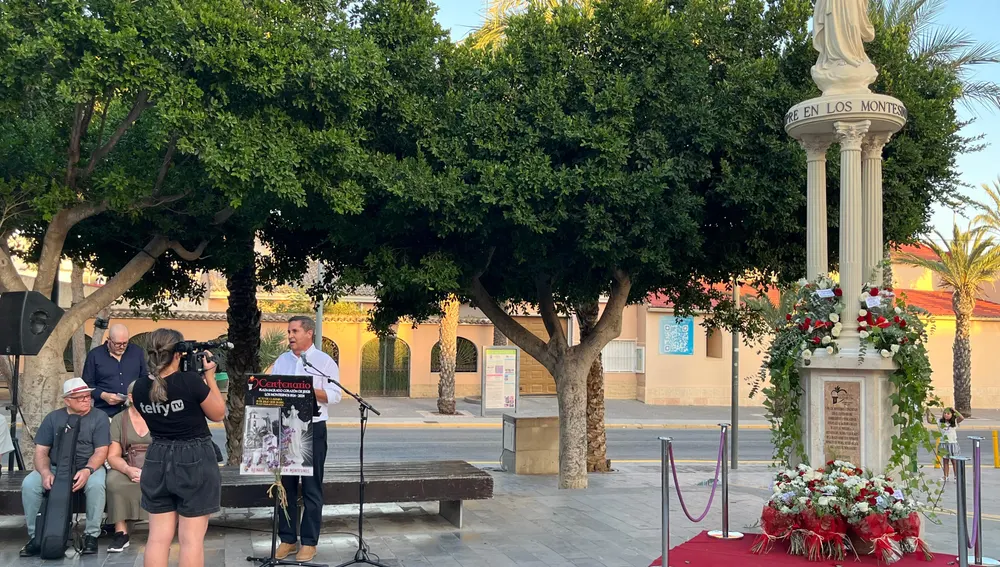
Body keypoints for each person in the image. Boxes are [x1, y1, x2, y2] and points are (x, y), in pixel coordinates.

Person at [132, 329, 225, 567]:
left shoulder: (139, 388)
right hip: (193, 457)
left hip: (157, 458)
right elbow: (218, 413)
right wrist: (210, 377)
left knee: (157, 538)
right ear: (177, 354)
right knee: (191, 539)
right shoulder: (189, 381)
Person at [271, 316, 342, 562]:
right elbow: (272, 390)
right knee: (286, 487)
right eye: (288, 331)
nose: (290, 336)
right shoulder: (282, 361)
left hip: (314, 429)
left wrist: (309, 390)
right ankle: (288, 539)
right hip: (287, 430)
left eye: (295, 331)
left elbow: (335, 395)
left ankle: (309, 542)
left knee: (311, 488)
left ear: (309, 333)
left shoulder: (324, 362)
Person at [20, 378, 111, 557]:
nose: (86, 400)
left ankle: (91, 534)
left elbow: (101, 451)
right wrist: (45, 472)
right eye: (80, 398)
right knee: (30, 485)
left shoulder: (99, 417)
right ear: (67, 400)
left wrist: (87, 470)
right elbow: (41, 452)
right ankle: (36, 536)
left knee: (96, 485)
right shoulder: (53, 418)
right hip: (55, 466)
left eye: (88, 396)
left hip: (88, 466)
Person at [105, 380, 151, 553]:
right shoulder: (119, 419)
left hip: (156, 464)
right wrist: (127, 470)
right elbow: (113, 455)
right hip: (129, 463)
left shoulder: (158, 415)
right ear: (131, 397)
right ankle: (121, 532)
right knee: (113, 481)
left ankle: (158, 529)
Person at [83, 323, 148, 418]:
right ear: (109, 339)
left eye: (125, 343)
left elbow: (144, 378)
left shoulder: (137, 352)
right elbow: (87, 384)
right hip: (105, 412)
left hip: (133, 410)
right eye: (118, 344)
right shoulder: (95, 355)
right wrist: (103, 395)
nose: (122, 347)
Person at [927, 407, 965, 482]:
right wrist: (928, 414)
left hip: (952, 443)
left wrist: (955, 411)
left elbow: (962, 418)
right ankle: (945, 476)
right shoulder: (940, 422)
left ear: (952, 415)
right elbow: (930, 421)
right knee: (945, 461)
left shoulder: (954, 422)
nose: (946, 415)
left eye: (948, 413)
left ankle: (956, 476)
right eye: (945, 413)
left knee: (954, 461)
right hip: (943, 443)